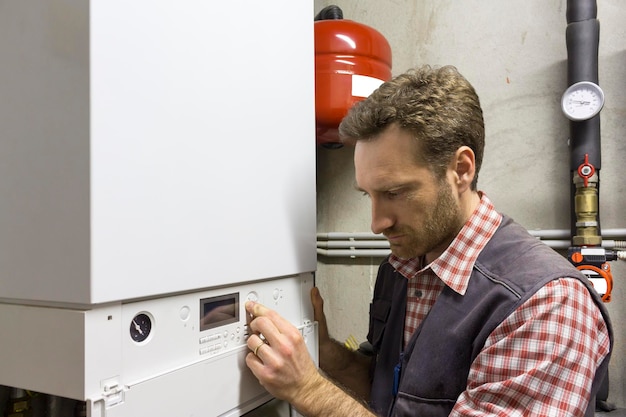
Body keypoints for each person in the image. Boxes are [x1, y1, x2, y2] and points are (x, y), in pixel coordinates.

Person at [244, 65, 613, 417]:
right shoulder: (404, 267)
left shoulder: (546, 306)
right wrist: (324, 353)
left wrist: (308, 389)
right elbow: (386, 392)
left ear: (461, 170)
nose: (376, 223)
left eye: (395, 192)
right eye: (367, 195)